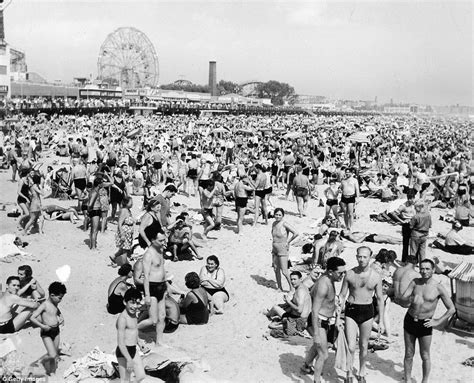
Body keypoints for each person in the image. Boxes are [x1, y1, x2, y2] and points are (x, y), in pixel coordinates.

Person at [400, 259, 455, 383]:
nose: (424, 271)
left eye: (427, 269)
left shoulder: (438, 288)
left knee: (425, 355)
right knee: (409, 353)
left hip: (425, 323)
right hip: (409, 320)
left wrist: (437, 321)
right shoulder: (415, 282)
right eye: (422, 268)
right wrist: (408, 299)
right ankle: (407, 380)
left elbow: (451, 309)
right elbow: (403, 298)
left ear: (433, 270)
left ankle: (424, 381)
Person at [340, 246, 385, 383]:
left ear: (370, 257)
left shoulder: (376, 276)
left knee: (364, 345)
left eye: (365, 257)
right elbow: (342, 295)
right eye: (359, 256)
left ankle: (362, 371)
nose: (362, 259)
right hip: (352, 310)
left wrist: (381, 320)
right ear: (356, 257)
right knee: (351, 346)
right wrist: (337, 316)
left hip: (367, 310)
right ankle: (349, 372)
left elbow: (380, 298)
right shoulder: (349, 274)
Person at [303, 257, 346, 381]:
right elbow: (315, 311)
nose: (342, 276)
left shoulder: (330, 280)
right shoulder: (323, 285)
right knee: (324, 354)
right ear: (331, 272)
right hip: (318, 321)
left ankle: (306, 365)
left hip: (325, 321)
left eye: (344, 273)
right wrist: (316, 334)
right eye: (340, 273)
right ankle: (316, 380)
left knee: (318, 347)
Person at [29, 282, 67, 376]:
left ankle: (51, 369)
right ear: (52, 295)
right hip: (46, 332)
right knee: (52, 355)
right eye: (60, 298)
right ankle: (48, 371)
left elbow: (56, 310)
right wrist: (43, 326)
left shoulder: (55, 302)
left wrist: (61, 316)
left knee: (55, 352)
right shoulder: (44, 305)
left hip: (56, 330)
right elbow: (32, 317)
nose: (60, 300)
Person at [137, 231, 167, 348]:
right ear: (152, 240)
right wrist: (147, 295)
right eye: (160, 240)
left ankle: (159, 342)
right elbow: (146, 276)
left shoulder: (160, 250)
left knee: (162, 316)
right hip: (152, 287)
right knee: (152, 320)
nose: (163, 242)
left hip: (162, 286)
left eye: (163, 240)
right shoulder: (148, 254)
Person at [115, 287, 146, 383]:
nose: (134, 306)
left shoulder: (133, 314)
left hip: (133, 349)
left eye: (137, 303)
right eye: (132, 303)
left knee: (141, 376)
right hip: (123, 352)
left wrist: (139, 342)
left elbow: (134, 330)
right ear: (125, 302)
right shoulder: (123, 319)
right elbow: (120, 343)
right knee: (125, 380)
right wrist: (128, 359)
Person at [271, 208, 299, 292]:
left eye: (280, 215)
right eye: (276, 214)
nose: (278, 216)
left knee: (284, 271)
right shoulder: (274, 223)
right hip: (275, 248)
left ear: (283, 216)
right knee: (276, 269)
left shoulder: (284, 224)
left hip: (283, 249)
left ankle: (292, 288)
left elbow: (296, 233)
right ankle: (279, 287)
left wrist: (288, 242)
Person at [112, 196, 135, 266]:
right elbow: (120, 223)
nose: (132, 203)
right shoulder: (124, 210)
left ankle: (114, 256)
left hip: (128, 234)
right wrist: (122, 234)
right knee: (125, 250)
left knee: (124, 249)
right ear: (126, 203)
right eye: (131, 202)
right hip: (124, 233)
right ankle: (124, 266)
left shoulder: (128, 210)